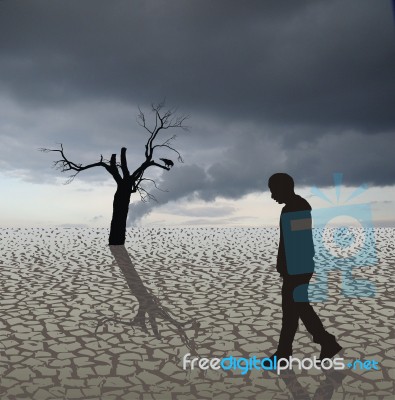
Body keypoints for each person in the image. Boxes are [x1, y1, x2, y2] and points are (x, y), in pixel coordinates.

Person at [267, 173, 342, 361]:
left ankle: (326, 341)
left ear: (284, 188)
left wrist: (290, 268)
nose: (272, 196)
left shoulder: (296, 208)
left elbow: (300, 243)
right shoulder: (292, 208)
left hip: (297, 270)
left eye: (274, 191)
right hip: (295, 269)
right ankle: (285, 352)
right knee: (293, 311)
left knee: (298, 309)